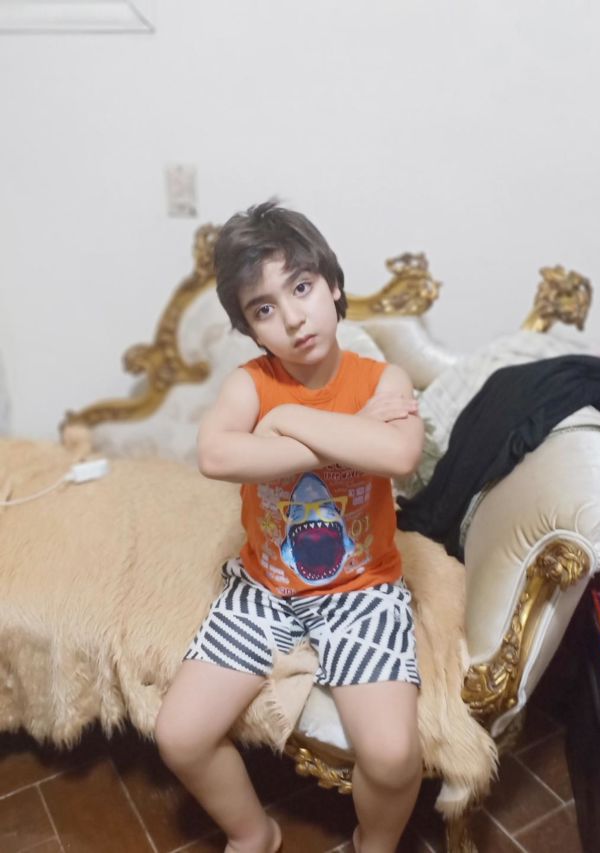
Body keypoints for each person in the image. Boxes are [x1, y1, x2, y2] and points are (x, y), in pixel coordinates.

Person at [155, 200, 425, 853]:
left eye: (301, 288)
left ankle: (374, 842)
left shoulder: (381, 377)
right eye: (264, 309)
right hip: (264, 588)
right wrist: (348, 434)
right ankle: (255, 833)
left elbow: (398, 455)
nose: (293, 317)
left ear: (332, 286)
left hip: (361, 589)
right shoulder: (252, 384)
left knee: (392, 756)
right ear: (251, 329)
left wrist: (287, 423)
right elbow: (217, 456)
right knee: (179, 735)